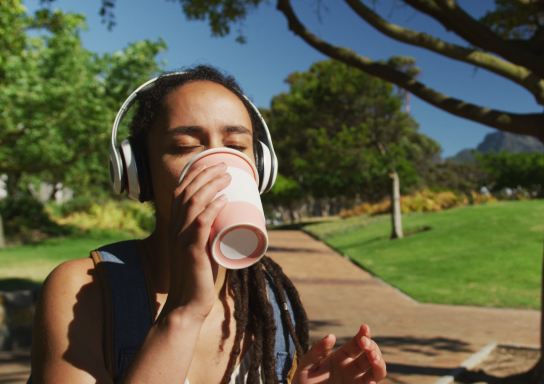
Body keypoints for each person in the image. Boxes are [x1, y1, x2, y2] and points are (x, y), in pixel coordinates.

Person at [29, 65, 387, 383]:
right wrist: (182, 314)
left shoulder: (270, 298)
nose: (217, 165)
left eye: (236, 146)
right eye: (185, 146)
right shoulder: (82, 291)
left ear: (260, 168)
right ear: (138, 172)